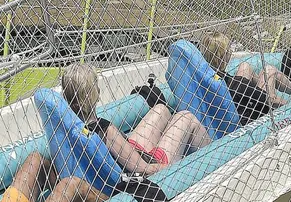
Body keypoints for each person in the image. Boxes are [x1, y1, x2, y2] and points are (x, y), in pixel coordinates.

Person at [61, 63, 211, 175]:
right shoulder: (105, 130)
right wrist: (174, 167)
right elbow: (145, 169)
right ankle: (213, 160)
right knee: (186, 117)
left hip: (130, 150)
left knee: (161, 110)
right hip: (149, 163)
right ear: (95, 92)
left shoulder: (69, 126)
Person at [198, 32, 291, 124]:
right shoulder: (237, 84)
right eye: (228, 49)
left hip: (240, 102)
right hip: (253, 113)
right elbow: (271, 101)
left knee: (245, 67)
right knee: (270, 70)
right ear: (223, 54)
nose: (231, 52)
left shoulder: (210, 76)